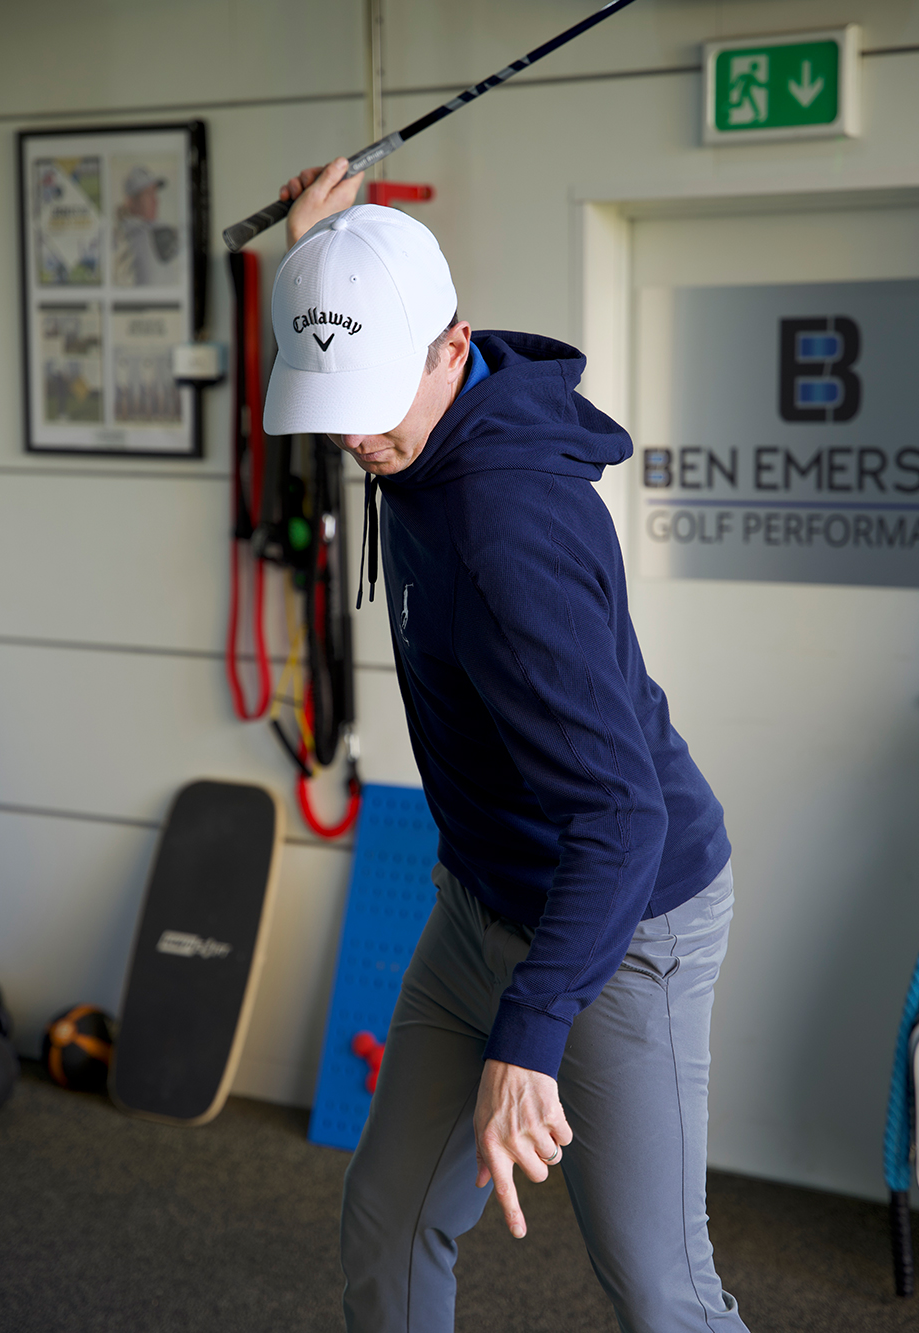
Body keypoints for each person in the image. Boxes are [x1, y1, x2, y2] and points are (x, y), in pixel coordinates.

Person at [267, 159, 747, 1332]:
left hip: (620, 917)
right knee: (387, 1219)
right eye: (337, 393)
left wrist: (530, 1033)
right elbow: (346, 341)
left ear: (453, 347)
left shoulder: (509, 531)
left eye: (374, 393)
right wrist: (319, 255)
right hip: (481, 895)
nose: (354, 431)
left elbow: (620, 816)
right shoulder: (414, 409)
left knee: (658, 1288)